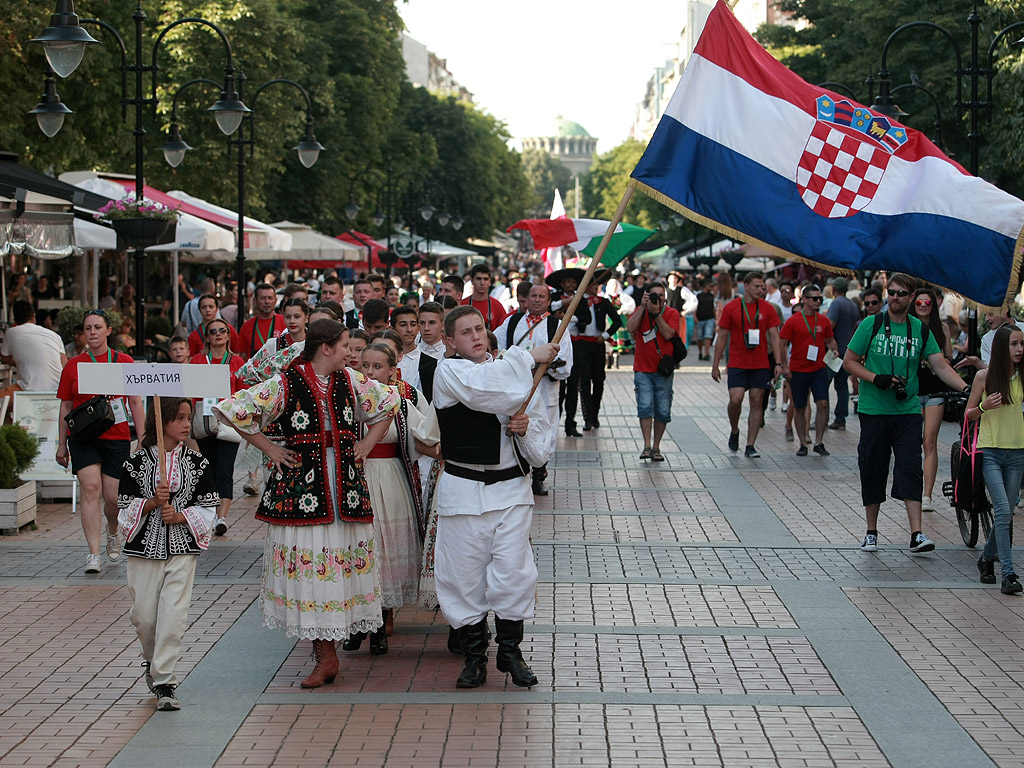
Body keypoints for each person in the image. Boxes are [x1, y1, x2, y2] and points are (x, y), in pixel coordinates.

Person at [213, 319, 400, 687]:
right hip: (303, 492)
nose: (353, 352)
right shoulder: (287, 382)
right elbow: (234, 408)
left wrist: (366, 444)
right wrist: (269, 447)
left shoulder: (351, 381)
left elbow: (391, 402)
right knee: (312, 568)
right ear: (326, 347)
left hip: (344, 487)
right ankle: (324, 655)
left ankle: (328, 653)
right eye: (347, 345)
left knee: (336, 565)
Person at [433, 305, 558, 688]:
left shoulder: (521, 377)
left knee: (514, 574)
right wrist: (528, 355)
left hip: (511, 491)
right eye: (466, 332)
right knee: (462, 577)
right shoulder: (450, 371)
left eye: (480, 328)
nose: (476, 336)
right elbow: (485, 388)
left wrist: (524, 430)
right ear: (450, 341)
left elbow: (541, 448)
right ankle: (474, 656)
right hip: (464, 491)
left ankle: (510, 651)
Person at [843, 273, 969, 555]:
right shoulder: (871, 324)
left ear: (912, 298)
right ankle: (871, 532)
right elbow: (849, 361)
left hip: (908, 410)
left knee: (910, 467)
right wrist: (877, 378)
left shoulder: (920, 330)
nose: (895, 297)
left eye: (901, 293)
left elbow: (941, 366)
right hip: (874, 410)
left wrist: (967, 387)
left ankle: (917, 534)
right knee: (873, 467)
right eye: (892, 292)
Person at [117, 397, 219, 711]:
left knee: (173, 616)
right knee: (145, 617)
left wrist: (182, 517)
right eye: (180, 418)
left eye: (189, 417)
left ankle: (165, 681)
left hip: (183, 548)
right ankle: (151, 660)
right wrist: (150, 502)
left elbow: (209, 507)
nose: (187, 424)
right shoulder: (134, 463)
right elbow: (122, 509)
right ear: (162, 423)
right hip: (144, 549)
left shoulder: (198, 463)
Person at [342, 342, 438, 653]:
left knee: (385, 551)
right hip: (357, 480)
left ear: (392, 371)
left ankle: (381, 624)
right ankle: (358, 624)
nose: (369, 372)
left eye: (377, 367)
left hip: (392, 480)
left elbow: (426, 434)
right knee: (360, 550)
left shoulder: (404, 399)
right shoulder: (347, 399)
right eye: (364, 365)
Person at [56, 309, 146, 573]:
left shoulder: (124, 361)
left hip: (116, 436)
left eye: (97, 327)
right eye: (87, 328)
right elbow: (65, 406)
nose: (92, 333)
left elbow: (136, 402)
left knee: (113, 497)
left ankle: (113, 529)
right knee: (90, 488)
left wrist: (141, 438)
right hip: (83, 437)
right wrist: (61, 444)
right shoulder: (74, 365)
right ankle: (93, 554)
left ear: (108, 331)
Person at [495, 282, 574, 495]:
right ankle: (517, 470)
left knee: (544, 430)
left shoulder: (557, 327)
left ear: (548, 301)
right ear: (526, 299)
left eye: (542, 296)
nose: (537, 299)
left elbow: (565, 363)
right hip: (514, 390)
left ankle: (539, 475)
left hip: (545, 390)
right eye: (533, 296)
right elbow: (497, 350)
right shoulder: (511, 322)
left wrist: (545, 367)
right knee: (515, 426)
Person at [966, 324, 1024, 594]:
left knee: (1005, 514)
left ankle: (987, 559)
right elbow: (968, 415)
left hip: (1017, 452)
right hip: (990, 451)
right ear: (1003, 347)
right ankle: (1009, 575)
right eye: (1014, 344)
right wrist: (982, 406)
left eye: (1022, 344)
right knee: (1003, 510)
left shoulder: (1021, 376)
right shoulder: (983, 377)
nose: (1020, 349)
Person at [712, 271, 783, 458]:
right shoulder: (732, 307)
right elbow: (722, 337)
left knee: (757, 400)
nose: (761, 290)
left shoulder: (768, 309)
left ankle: (750, 444)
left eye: (763, 286)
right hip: (737, 361)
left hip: (760, 363)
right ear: (746, 286)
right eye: (757, 286)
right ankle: (734, 429)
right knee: (735, 399)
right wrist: (715, 364)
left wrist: (778, 362)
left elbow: (775, 337)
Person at [188, 318, 245, 535]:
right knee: (208, 469)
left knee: (225, 469)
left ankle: (221, 517)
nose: (218, 334)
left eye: (223, 331)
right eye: (213, 331)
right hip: (204, 421)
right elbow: (192, 393)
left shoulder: (236, 362)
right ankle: (210, 514)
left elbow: (242, 394)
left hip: (228, 422)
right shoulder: (198, 361)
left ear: (229, 336)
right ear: (207, 337)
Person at [779, 285, 837, 456]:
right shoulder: (793, 321)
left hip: (819, 368)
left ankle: (819, 442)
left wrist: (834, 349)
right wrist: (785, 365)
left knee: (823, 404)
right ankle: (803, 443)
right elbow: (783, 343)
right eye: (814, 298)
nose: (818, 301)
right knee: (799, 406)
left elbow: (830, 340)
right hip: (798, 369)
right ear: (804, 300)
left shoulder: (823, 320)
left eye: (819, 298)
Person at [911, 287, 955, 511]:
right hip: (913, 391)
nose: (923, 306)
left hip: (935, 392)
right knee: (913, 442)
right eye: (919, 303)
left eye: (927, 302)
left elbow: (949, 359)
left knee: (929, 441)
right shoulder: (908, 327)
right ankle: (914, 491)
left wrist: (938, 362)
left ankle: (926, 495)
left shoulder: (942, 329)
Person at [626, 281, 680, 462]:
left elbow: (668, 334)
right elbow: (630, 328)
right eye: (653, 295)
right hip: (642, 368)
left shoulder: (672, 313)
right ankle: (647, 446)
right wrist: (643, 308)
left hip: (663, 370)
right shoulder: (641, 312)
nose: (658, 298)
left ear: (665, 297)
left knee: (663, 410)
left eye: (661, 295)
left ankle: (657, 446)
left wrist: (657, 314)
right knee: (645, 406)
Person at [565, 274, 621, 434]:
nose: (595, 287)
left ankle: (594, 414)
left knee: (599, 380)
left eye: (598, 284)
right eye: (593, 284)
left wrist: (604, 336)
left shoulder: (603, 302)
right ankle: (587, 417)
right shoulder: (578, 301)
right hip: (581, 343)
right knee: (584, 382)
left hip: (597, 343)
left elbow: (617, 321)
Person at [0, 300, 66, 405]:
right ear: (33, 317)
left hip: (28, 391)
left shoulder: (11, 333)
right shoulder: (54, 335)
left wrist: (20, 362)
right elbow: (64, 365)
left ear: (15, 320)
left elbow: (4, 358)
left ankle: (10, 421)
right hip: (57, 392)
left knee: (3, 402)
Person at [827, 277, 861, 430]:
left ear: (834, 289)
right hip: (848, 351)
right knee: (842, 387)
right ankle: (841, 417)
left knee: (824, 384)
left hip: (835, 351)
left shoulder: (836, 303)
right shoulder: (853, 305)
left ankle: (823, 416)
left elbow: (830, 325)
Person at [238, 283, 285, 359]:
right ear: (255, 301)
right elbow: (242, 357)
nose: (267, 302)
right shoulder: (247, 326)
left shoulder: (285, 322)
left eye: (270, 298)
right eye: (262, 298)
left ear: (275, 300)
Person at [460, 264, 508, 332]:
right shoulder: (462, 305)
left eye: (485, 279)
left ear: (489, 282)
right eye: (478, 279)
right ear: (472, 281)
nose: (482, 283)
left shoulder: (497, 306)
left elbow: (504, 331)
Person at [694, 280, 717, 361]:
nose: (711, 288)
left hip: (710, 318)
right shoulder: (698, 295)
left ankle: (707, 353)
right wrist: (695, 317)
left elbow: (714, 307)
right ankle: (700, 352)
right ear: (705, 286)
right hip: (700, 318)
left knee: (708, 335)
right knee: (700, 337)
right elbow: (695, 307)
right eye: (710, 286)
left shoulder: (712, 296)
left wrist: (715, 318)